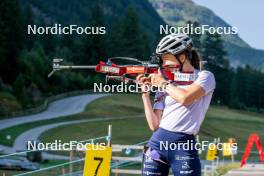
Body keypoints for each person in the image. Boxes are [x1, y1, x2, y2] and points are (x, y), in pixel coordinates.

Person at [137, 33, 216, 176]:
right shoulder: (167, 82)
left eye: (167, 59)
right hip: (156, 145)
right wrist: (145, 95)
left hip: (183, 146)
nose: (164, 64)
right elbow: (154, 125)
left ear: (182, 56)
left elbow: (185, 98)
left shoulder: (205, 77)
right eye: (162, 60)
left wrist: (162, 83)